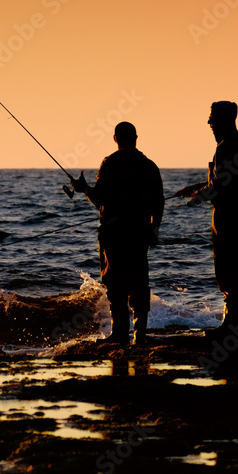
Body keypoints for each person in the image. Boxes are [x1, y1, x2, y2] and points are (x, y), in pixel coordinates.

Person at [71, 122, 164, 345]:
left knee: (116, 283)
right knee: (139, 282)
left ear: (115, 138)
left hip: (114, 233)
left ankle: (121, 333)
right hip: (140, 232)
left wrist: (83, 189)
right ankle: (140, 334)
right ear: (136, 137)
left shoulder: (110, 163)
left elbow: (100, 198)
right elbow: (158, 202)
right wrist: (154, 228)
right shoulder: (149, 165)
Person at [173, 101, 238, 339]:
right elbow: (227, 179)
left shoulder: (226, 147)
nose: (209, 123)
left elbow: (220, 186)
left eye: (212, 119)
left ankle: (233, 327)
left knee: (230, 271)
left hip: (229, 218)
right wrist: (196, 186)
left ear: (224, 120)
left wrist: (197, 198)